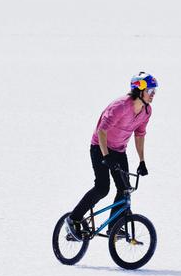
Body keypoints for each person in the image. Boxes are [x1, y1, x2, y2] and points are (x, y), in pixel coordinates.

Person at [67, 72, 157, 239]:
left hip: (119, 150)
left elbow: (140, 135)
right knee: (102, 188)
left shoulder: (146, 111)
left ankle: (113, 228)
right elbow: (102, 131)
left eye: (154, 91)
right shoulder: (121, 106)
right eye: (150, 91)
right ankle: (74, 218)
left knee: (125, 190)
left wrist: (142, 161)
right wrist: (106, 156)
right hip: (99, 147)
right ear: (140, 90)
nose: (153, 95)